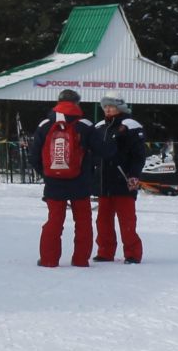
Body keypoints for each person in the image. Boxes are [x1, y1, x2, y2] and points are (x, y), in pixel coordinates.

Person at [29, 88, 107, 267]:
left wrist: (48, 173)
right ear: (77, 103)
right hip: (80, 181)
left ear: (58, 102)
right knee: (83, 221)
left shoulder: (45, 124)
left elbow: (34, 156)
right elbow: (103, 150)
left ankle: (49, 259)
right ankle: (80, 260)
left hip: (54, 183)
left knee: (54, 221)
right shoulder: (85, 125)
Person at [91, 94, 145, 263]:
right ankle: (105, 251)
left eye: (111, 106)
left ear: (120, 107)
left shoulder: (131, 126)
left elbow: (138, 155)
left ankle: (132, 253)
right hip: (103, 181)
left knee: (127, 220)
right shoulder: (99, 127)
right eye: (105, 106)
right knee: (103, 220)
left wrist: (134, 175)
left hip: (124, 180)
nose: (107, 109)